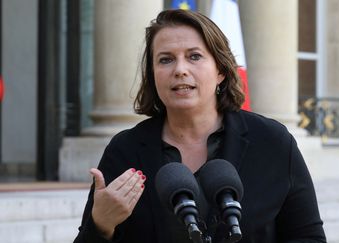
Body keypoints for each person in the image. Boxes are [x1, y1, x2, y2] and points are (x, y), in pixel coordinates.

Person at [74, 9, 326, 243]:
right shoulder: (125, 151)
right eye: (165, 60)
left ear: (221, 71)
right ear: (153, 75)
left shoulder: (272, 142)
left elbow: (308, 236)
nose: (180, 70)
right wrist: (101, 224)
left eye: (194, 56)